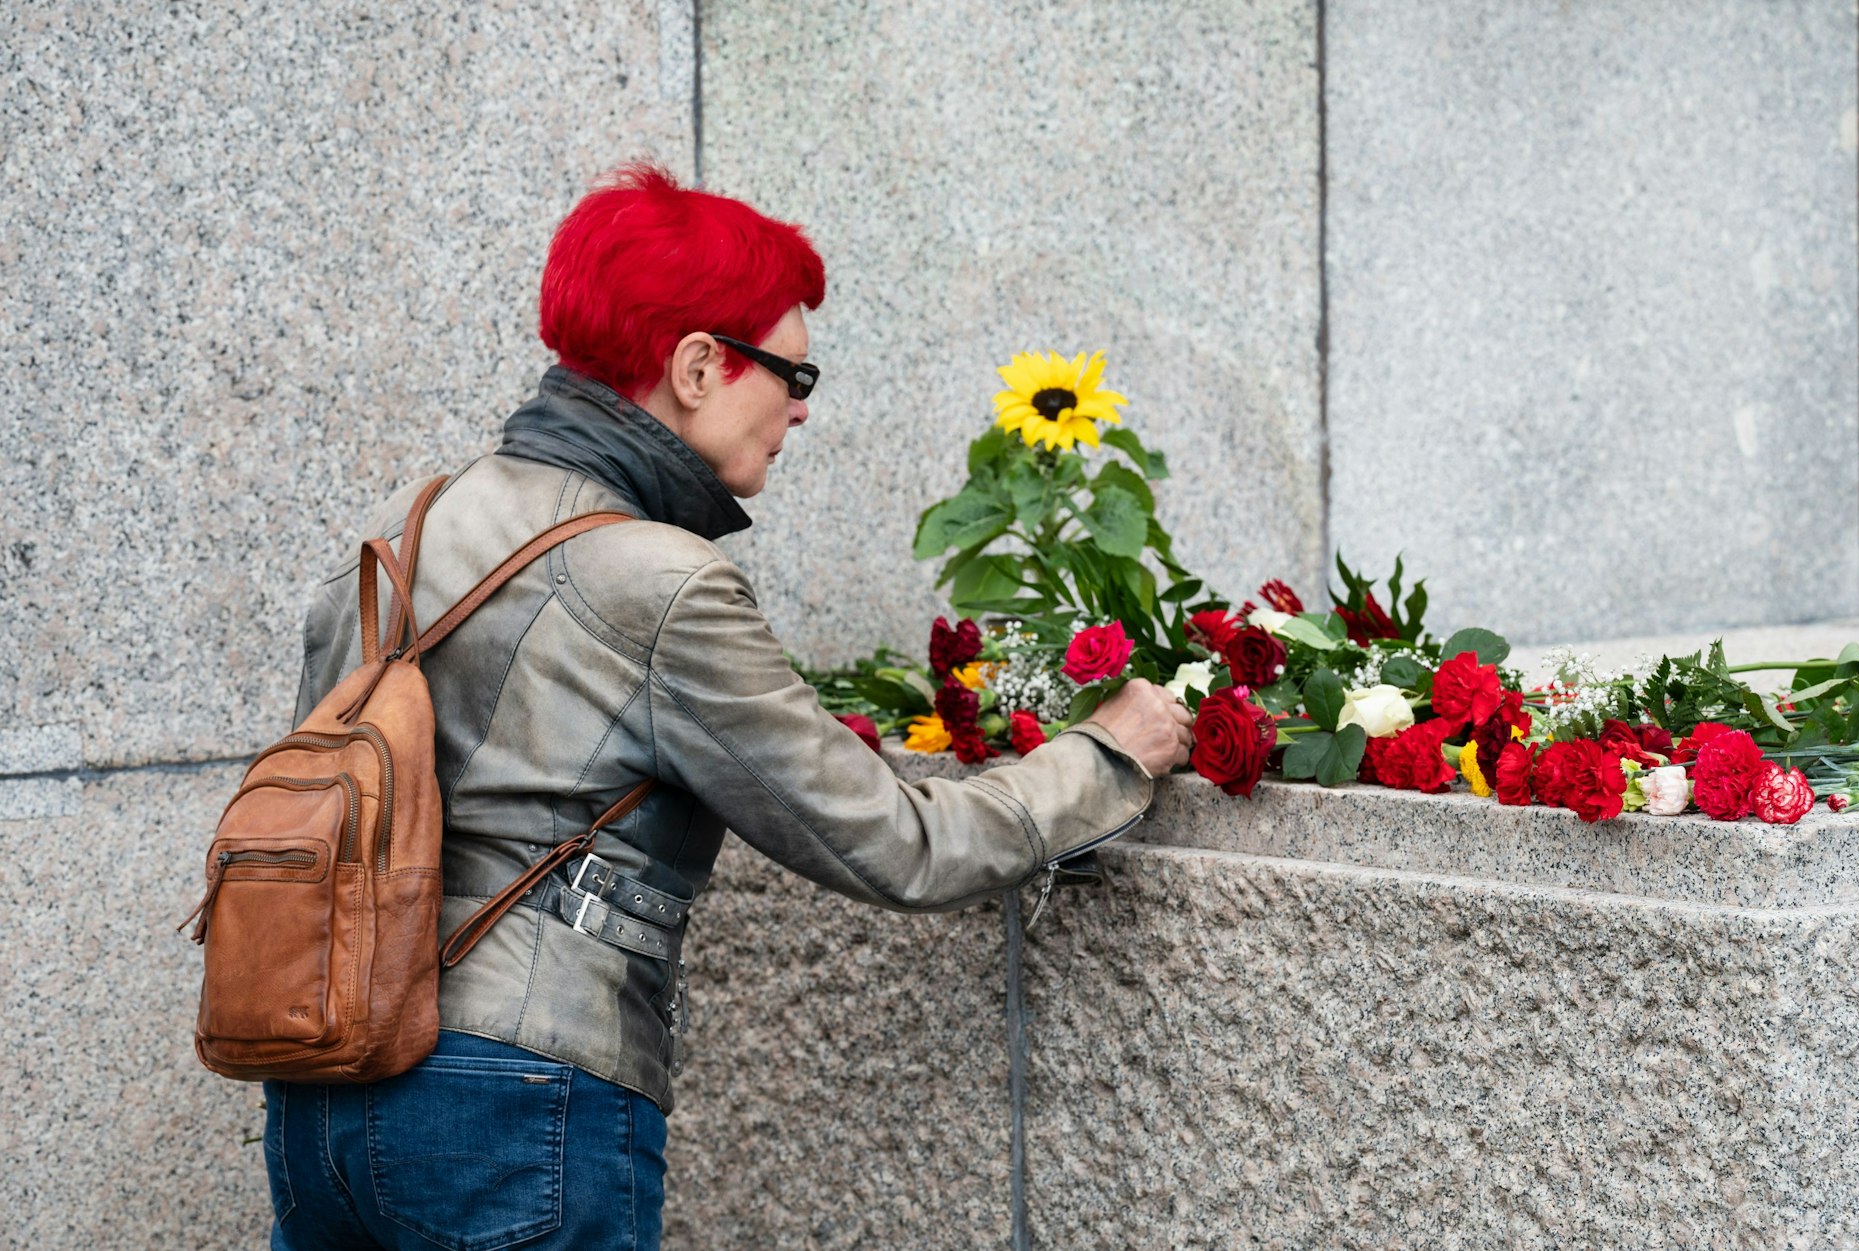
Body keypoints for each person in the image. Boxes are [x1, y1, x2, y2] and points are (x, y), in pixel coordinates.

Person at [262, 163, 1194, 1250]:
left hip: (322, 1082)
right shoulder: (655, 580)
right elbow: (899, 846)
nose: (799, 408)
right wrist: (1106, 755)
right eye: (792, 373)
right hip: (520, 1098)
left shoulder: (402, 530)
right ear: (698, 365)